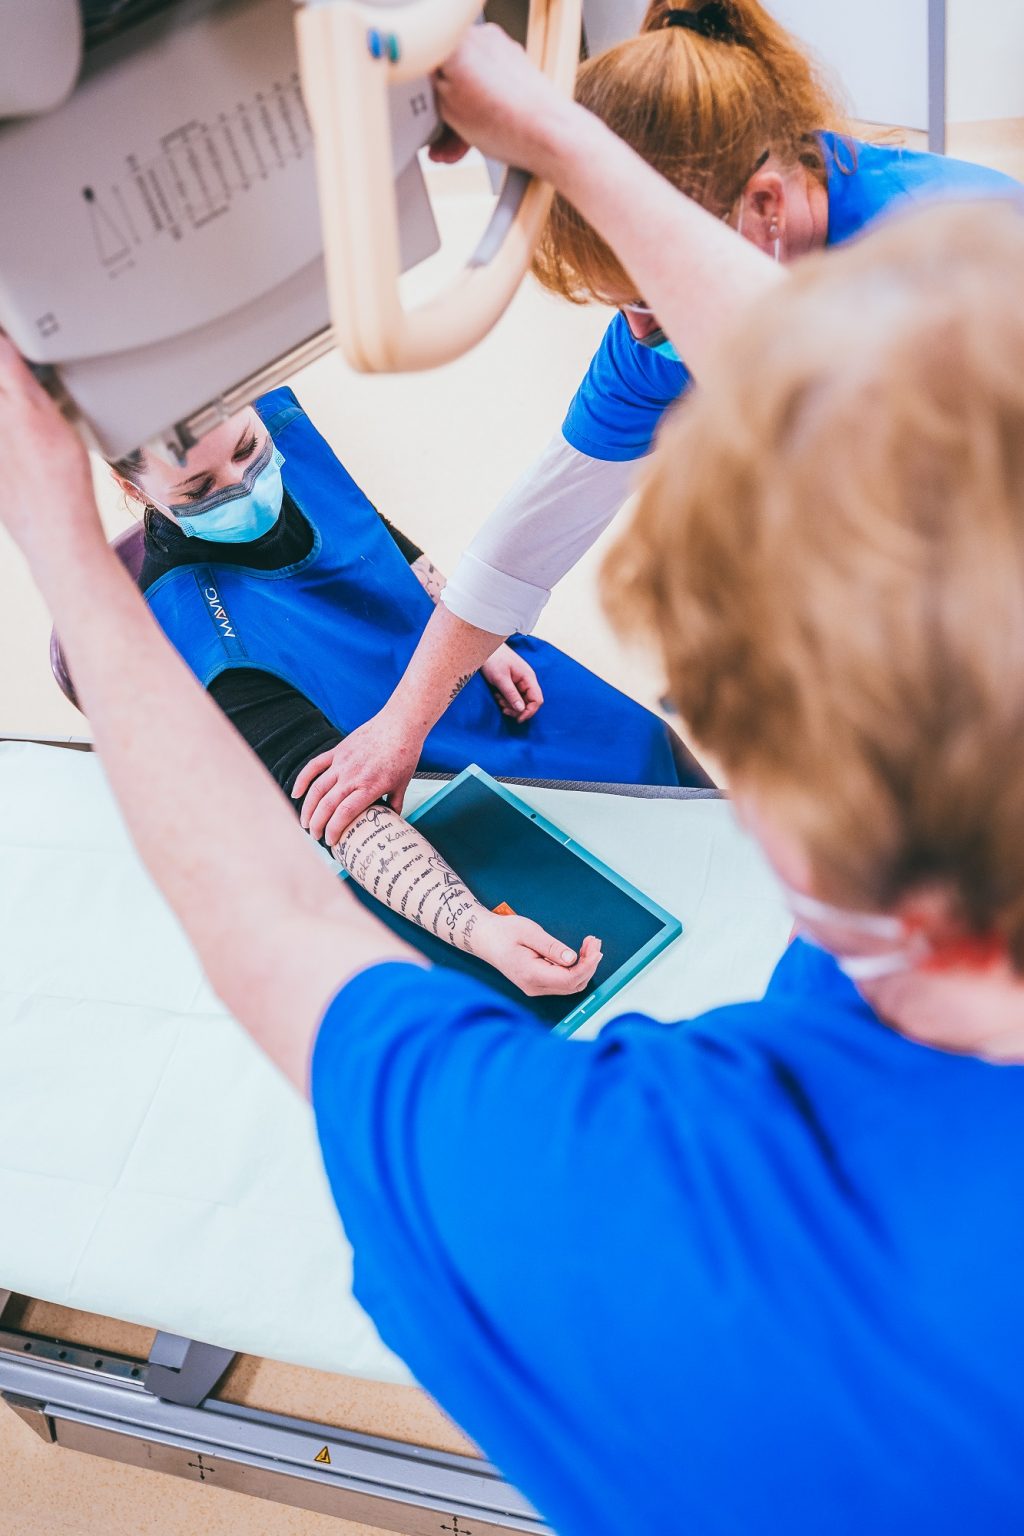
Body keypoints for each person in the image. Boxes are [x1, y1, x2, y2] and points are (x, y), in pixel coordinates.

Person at [5, 45, 1024, 1536]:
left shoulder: (684, 1224)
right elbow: (867, 431)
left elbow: (284, 938)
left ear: (775, 797)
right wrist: (551, 127)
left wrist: (56, 545)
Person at [305, 0, 1023, 836]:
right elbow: (528, 537)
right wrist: (402, 724)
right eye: (623, 307)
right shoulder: (656, 339)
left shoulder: (961, 243)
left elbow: (863, 437)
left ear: (766, 208)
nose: (640, 330)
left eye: (647, 296)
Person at [103, 386, 706, 869]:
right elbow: (340, 811)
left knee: (640, 744)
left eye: (245, 451)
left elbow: (362, 522)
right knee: (615, 853)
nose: (242, 485)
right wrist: (480, 930)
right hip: (405, 770)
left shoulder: (275, 426)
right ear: (135, 489)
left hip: (459, 661)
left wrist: (472, 630)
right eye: (199, 489)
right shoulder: (197, 627)